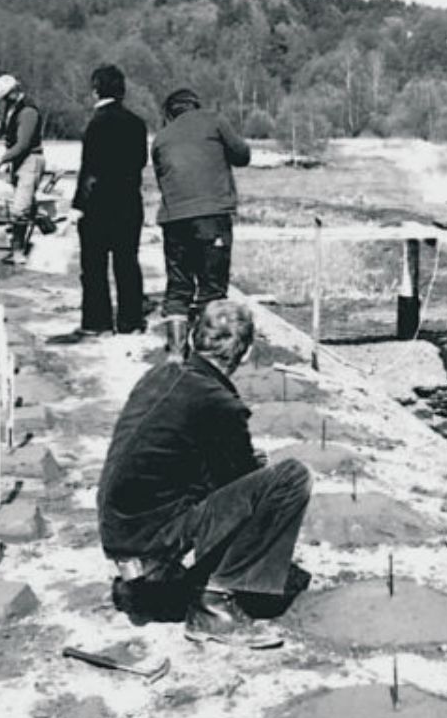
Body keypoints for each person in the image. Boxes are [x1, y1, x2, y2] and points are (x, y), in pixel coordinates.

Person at [96, 300, 312, 647]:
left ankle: (157, 583)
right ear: (243, 351)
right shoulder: (218, 402)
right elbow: (239, 488)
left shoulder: (163, 373)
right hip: (148, 538)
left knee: (242, 471)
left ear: (197, 337)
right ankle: (215, 604)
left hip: (119, 527)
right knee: (289, 479)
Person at [151, 88, 250, 358]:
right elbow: (242, 155)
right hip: (212, 216)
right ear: (195, 105)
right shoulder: (214, 121)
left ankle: (175, 353)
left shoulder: (160, 138)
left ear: (169, 113)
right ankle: (209, 352)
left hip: (174, 219)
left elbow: (163, 179)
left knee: (178, 287)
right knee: (212, 288)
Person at [72, 65, 148, 335]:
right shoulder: (138, 124)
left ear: (95, 91)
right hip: (129, 201)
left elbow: (89, 170)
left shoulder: (95, 124)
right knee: (127, 263)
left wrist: (77, 206)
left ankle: (97, 322)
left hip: (99, 206)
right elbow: (141, 162)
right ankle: (131, 320)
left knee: (94, 266)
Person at [0, 74, 45, 264]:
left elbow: (23, 143)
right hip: (18, 161)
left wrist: (1, 160)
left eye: (6, 96)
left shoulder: (28, 111)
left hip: (30, 159)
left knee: (20, 208)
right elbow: (8, 133)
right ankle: (50, 231)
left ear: (14, 91)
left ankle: (18, 251)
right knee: (27, 205)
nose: (4, 100)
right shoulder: (11, 108)